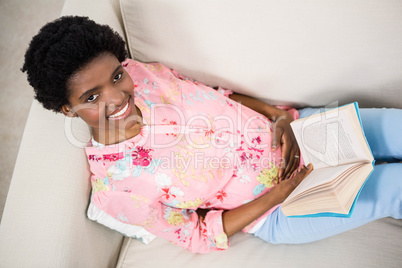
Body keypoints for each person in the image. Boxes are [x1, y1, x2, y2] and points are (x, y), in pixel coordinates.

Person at [22, 16, 401, 253]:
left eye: (116, 76)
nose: (119, 95)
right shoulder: (115, 188)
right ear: (66, 108)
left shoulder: (145, 74)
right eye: (92, 97)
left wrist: (278, 117)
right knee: (394, 187)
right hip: (282, 209)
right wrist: (278, 195)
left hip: (308, 132)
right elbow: (198, 234)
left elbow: (220, 97)